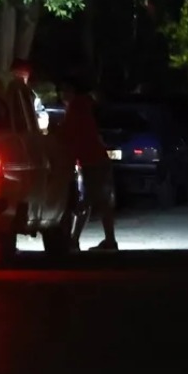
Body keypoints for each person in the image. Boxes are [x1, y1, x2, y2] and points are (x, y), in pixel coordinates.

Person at [56, 75, 118, 251]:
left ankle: (76, 240)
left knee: (87, 202)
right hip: (95, 160)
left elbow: (67, 134)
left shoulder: (76, 107)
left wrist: (52, 133)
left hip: (93, 161)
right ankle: (106, 240)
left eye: (64, 90)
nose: (61, 95)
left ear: (72, 91)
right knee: (98, 201)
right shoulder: (83, 106)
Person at [10, 58, 49, 131]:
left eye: (24, 76)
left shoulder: (30, 95)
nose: (21, 79)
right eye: (17, 75)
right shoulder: (3, 90)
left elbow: (43, 118)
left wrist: (35, 118)